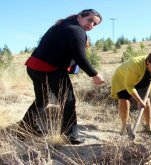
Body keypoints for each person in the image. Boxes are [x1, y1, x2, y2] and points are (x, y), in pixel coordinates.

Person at [20, 9, 105, 144]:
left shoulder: (62, 25)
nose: (91, 25)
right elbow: (79, 56)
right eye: (90, 20)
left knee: (41, 100)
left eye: (95, 24)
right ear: (79, 16)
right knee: (68, 101)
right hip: (50, 69)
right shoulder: (76, 30)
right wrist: (94, 74)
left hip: (34, 67)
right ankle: (71, 135)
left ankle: (24, 129)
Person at [111, 52, 151, 135]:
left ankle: (149, 126)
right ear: (148, 62)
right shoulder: (135, 65)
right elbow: (129, 85)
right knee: (124, 100)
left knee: (146, 101)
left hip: (143, 76)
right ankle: (124, 126)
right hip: (122, 78)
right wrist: (138, 101)